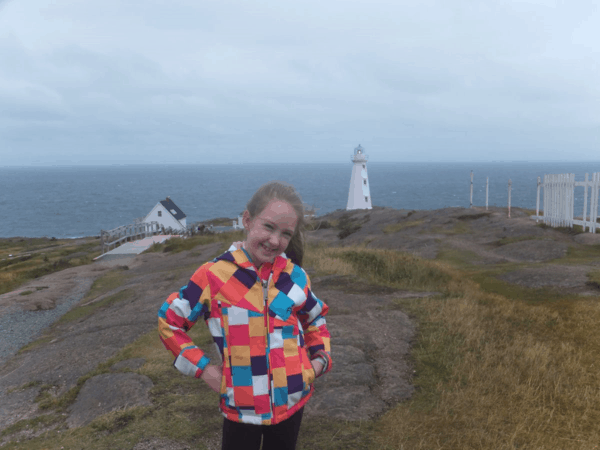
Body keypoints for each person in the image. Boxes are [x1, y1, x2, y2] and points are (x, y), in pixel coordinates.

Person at [158, 181, 332, 450]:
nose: (275, 240)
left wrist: (318, 362)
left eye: (285, 233)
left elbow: (315, 320)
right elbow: (170, 322)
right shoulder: (213, 275)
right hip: (241, 407)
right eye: (269, 227)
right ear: (247, 220)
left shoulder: (295, 276)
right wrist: (203, 369)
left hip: (292, 402)